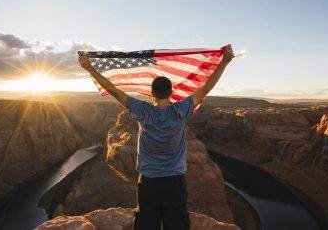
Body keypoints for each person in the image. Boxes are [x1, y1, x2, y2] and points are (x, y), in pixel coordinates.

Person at [78, 45, 234, 230]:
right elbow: (207, 87)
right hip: (175, 183)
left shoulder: (143, 111)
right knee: (177, 225)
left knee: (146, 225)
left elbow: (113, 90)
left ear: (152, 93)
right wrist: (224, 62)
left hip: (149, 182)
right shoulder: (181, 109)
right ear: (171, 92)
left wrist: (89, 67)